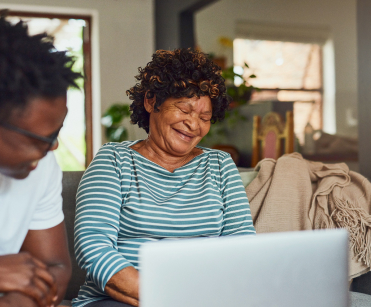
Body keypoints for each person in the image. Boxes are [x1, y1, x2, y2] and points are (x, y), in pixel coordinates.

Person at [73, 49, 256, 307]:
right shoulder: (114, 161)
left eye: (204, 118)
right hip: (121, 299)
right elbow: (94, 246)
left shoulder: (220, 165)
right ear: (151, 101)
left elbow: (242, 247)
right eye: (184, 109)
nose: (194, 125)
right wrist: (166, 297)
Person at [0, 12, 81, 307]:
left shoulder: (40, 165)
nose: (54, 146)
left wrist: (10, 304)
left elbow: (54, 268)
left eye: (57, 132)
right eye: (43, 138)